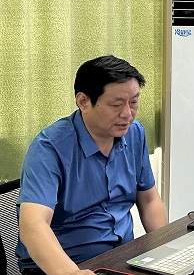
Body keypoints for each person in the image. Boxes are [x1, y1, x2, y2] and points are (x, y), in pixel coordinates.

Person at [16, 55, 167, 275]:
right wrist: (72, 273)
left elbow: (149, 199)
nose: (127, 114)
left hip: (122, 258)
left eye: (133, 102)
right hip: (65, 266)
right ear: (83, 102)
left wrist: (166, 251)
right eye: (116, 105)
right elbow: (33, 226)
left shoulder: (134, 133)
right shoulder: (49, 148)